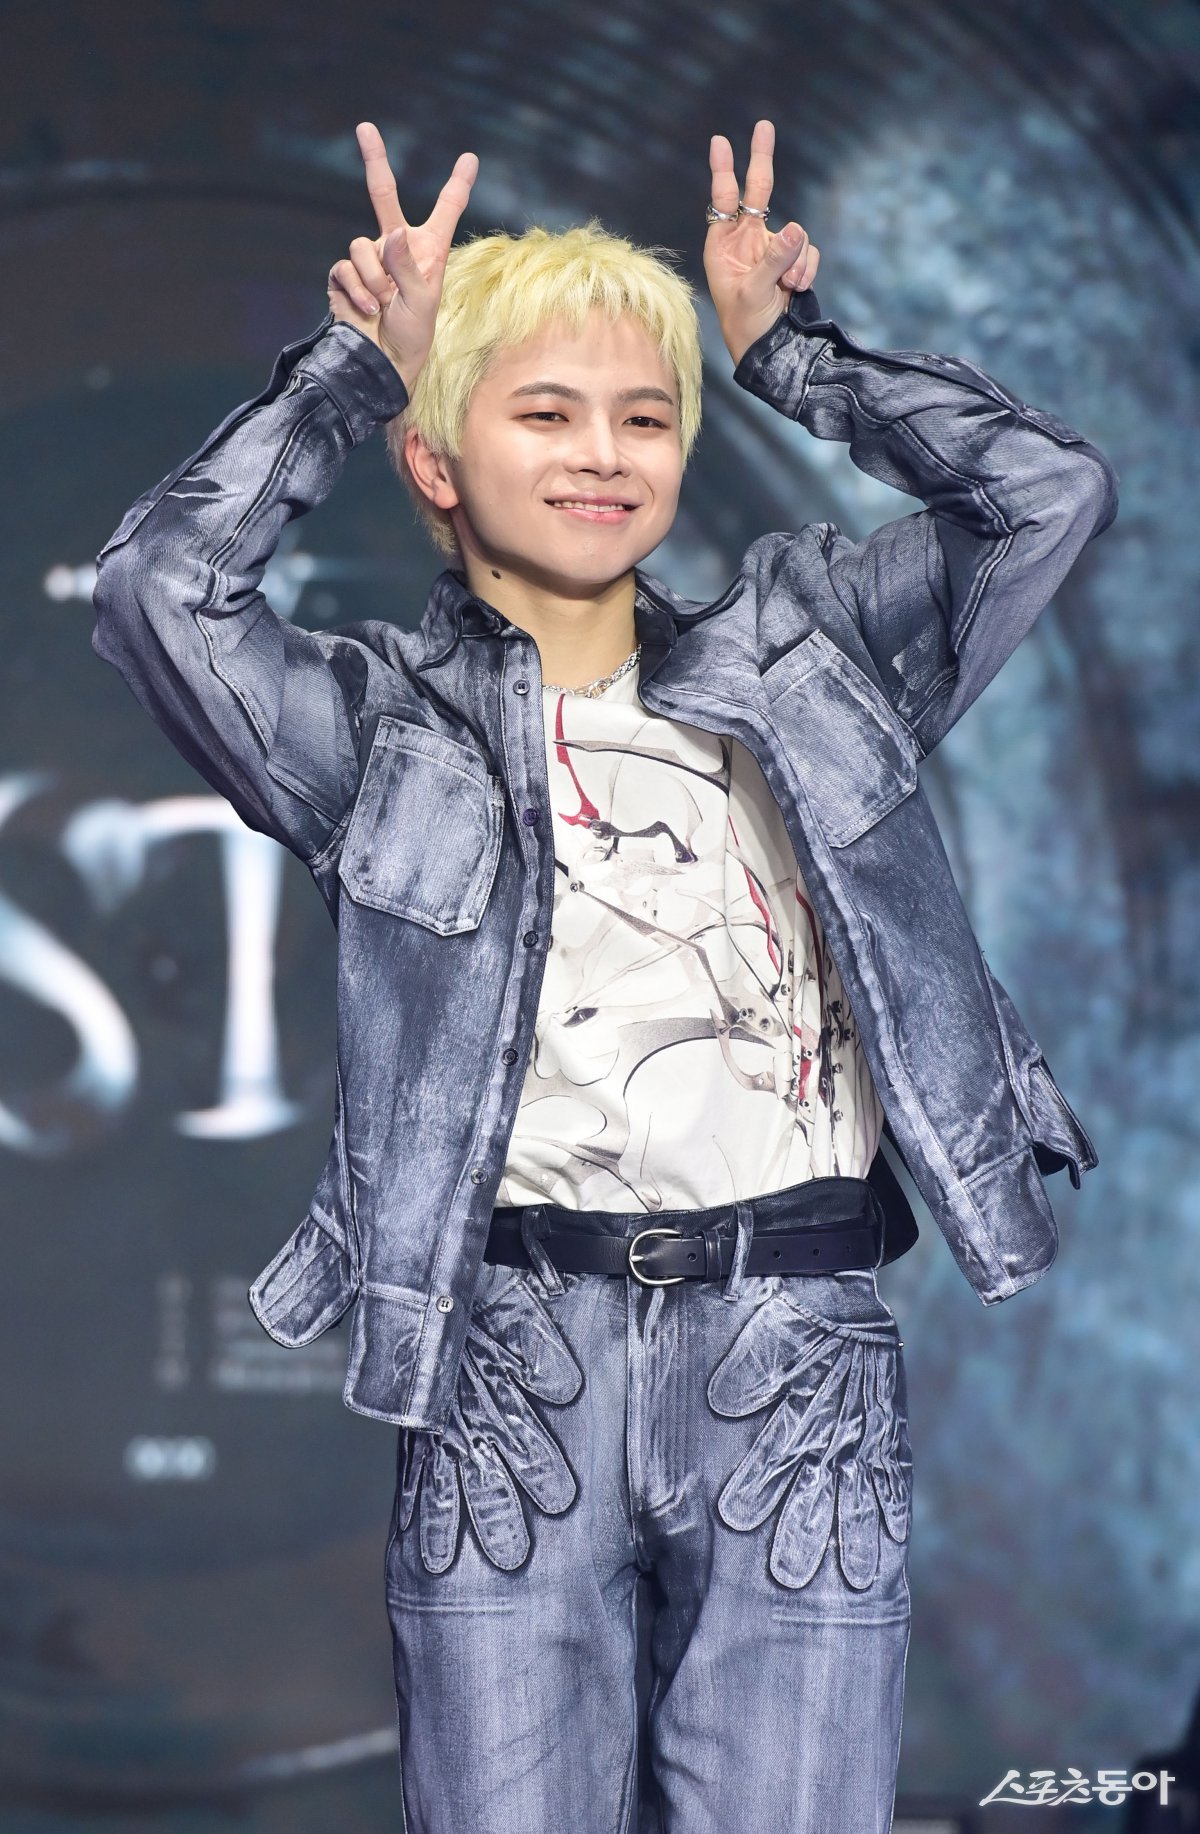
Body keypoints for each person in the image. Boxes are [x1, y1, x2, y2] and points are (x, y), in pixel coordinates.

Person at [91, 117, 1117, 1834]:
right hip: (508, 1358)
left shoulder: (813, 650)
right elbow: (157, 591)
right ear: (437, 459)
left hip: (795, 1346)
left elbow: (1047, 496)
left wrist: (794, 357)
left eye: (645, 417)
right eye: (546, 413)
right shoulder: (375, 729)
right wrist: (355, 369)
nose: (603, 454)